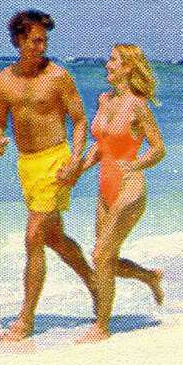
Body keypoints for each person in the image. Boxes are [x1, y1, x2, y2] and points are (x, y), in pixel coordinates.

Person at [0, 10, 97, 341]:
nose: (42, 47)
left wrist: (75, 160)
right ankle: (96, 283)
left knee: (33, 235)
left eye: (44, 41)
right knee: (53, 238)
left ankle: (26, 319)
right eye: (35, 41)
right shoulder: (2, 81)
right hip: (27, 165)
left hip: (56, 162)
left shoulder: (58, 76)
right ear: (19, 41)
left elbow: (80, 121)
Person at [76, 44, 166, 343]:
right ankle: (150, 276)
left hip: (130, 187)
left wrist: (136, 164)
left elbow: (158, 148)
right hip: (105, 186)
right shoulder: (104, 100)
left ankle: (102, 327)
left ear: (127, 67)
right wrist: (76, 171)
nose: (107, 64)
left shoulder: (138, 105)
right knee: (106, 261)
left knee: (100, 255)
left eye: (113, 60)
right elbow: (100, 146)